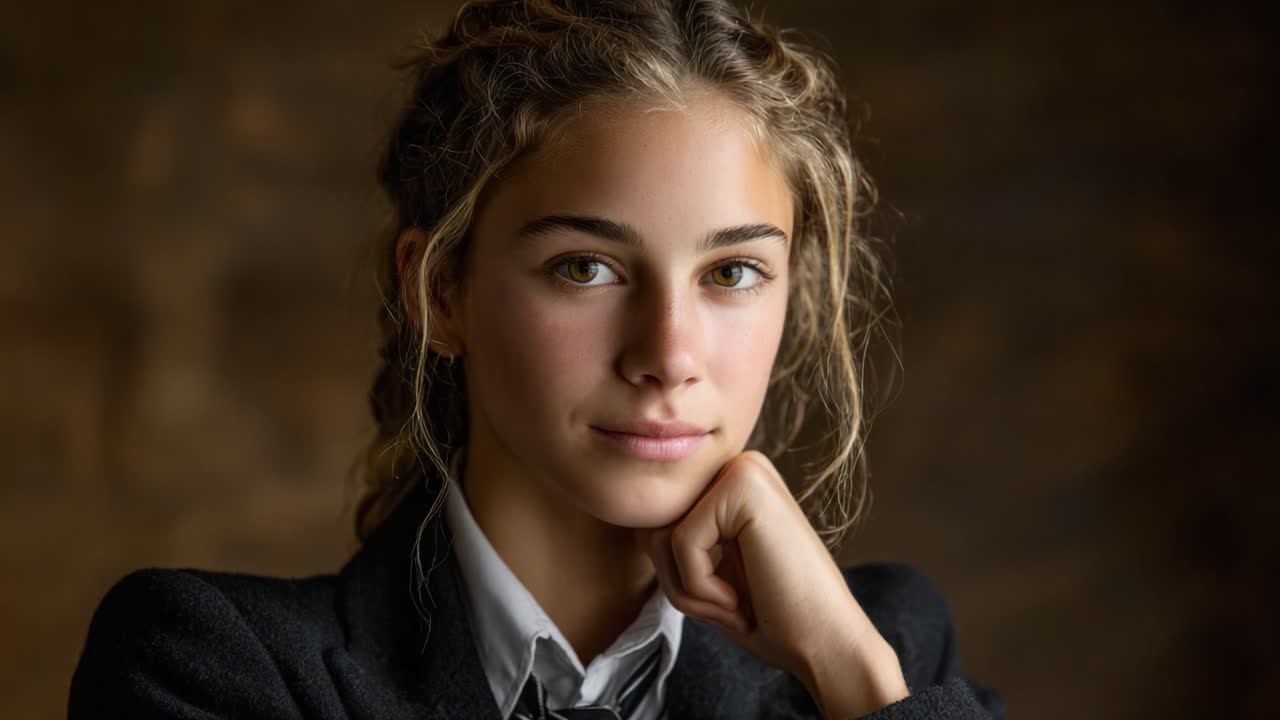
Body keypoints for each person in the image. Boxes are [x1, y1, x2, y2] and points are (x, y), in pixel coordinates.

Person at [68, 0, 1006, 718]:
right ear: (440, 291)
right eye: (586, 266)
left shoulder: (888, 662)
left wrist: (857, 676)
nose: (668, 354)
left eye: (732, 271)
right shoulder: (207, 666)